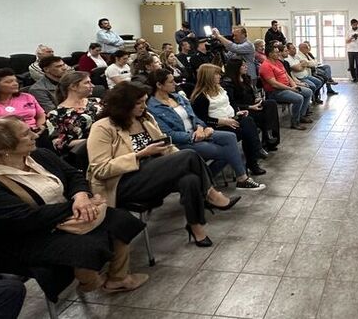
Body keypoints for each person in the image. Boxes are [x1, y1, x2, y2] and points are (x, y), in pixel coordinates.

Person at [0, 116, 149, 293]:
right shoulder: (0, 181)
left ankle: (118, 278)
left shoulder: (39, 155)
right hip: (35, 232)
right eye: (25, 134)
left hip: (70, 214)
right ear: (3, 148)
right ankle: (90, 282)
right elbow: (25, 217)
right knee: (88, 247)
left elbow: (73, 175)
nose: (35, 135)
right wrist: (75, 206)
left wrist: (81, 196)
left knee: (119, 218)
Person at [87, 82, 237, 247]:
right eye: (139, 103)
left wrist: (174, 158)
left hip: (154, 171)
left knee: (190, 179)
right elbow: (100, 169)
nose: (144, 106)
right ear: (123, 104)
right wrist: (139, 155)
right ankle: (211, 194)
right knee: (188, 155)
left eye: (145, 101)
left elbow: (165, 145)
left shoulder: (146, 119)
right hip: (124, 182)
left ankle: (196, 227)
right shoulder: (102, 127)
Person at [147, 69, 257, 193]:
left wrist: (201, 128)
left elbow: (195, 117)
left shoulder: (178, 98)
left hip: (199, 132)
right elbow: (169, 134)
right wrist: (195, 136)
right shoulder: (153, 108)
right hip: (184, 141)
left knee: (230, 137)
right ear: (159, 85)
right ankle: (236, 179)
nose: (175, 84)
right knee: (228, 151)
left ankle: (209, 181)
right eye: (171, 82)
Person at [190, 64, 268, 177]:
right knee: (247, 130)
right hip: (216, 125)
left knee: (248, 121)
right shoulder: (201, 97)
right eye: (216, 74)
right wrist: (224, 121)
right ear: (208, 77)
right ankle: (254, 159)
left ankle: (254, 157)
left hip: (230, 118)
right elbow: (203, 120)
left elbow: (229, 104)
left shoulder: (220, 88)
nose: (219, 76)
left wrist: (237, 113)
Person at [223, 59, 280, 151]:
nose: (246, 67)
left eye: (246, 65)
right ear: (236, 68)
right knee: (264, 116)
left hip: (252, 105)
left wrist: (256, 99)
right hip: (241, 109)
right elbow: (231, 103)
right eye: (243, 65)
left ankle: (270, 135)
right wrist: (249, 107)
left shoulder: (246, 78)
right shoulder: (229, 83)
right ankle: (267, 138)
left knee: (271, 104)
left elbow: (250, 95)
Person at [47, 72, 102, 163]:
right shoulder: (56, 114)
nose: (92, 85)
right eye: (87, 83)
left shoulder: (96, 101)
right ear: (73, 87)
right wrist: (94, 140)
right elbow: (60, 143)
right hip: (86, 153)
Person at [259, 42, 313, 130]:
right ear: (270, 54)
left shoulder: (278, 63)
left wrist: (294, 86)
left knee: (308, 92)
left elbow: (287, 76)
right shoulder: (265, 66)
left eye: (278, 52)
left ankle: (301, 116)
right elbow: (274, 84)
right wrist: (291, 88)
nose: (278, 54)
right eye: (276, 52)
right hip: (275, 92)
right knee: (299, 98)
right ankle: (295, 122)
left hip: (287, 87)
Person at [0, 68, 47, 135]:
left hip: (33, 133)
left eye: (15, 81)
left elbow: (41, 115)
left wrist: (40, 128)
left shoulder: (27, 97)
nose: (15, 84)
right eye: (8, 82)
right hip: (5, 137)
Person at [346, 18, 358, 83]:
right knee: (351, 65)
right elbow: (346, 41)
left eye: (356, 24)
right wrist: (352, 37)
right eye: (354, 24)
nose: (355, 25)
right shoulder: (348, 31)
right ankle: (354, 78)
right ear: (351, 25)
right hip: (350, 51)